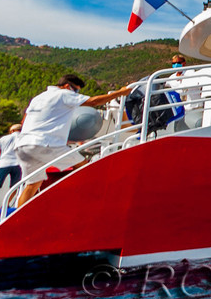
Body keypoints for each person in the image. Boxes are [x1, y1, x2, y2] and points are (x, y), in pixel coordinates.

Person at [12, 75, 131, 206]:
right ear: (67, 86)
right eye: (76, 91)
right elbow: (93, 102)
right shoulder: (64, 94)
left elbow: (24, 121)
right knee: (85, 167)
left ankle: (17, 217)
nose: (76, 94)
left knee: (33, 184)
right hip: (46, 144)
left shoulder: (38, 98)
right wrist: (120, 93)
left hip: (23, 146)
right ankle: (87, 201)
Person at [0, 123, 22, 188]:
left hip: (4, 163)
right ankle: (10, 198)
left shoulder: (4, 138)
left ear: (12, 131)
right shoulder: (24, 138)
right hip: (18, 164)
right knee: (15, 187)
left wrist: (1, 154)